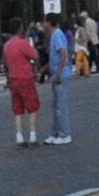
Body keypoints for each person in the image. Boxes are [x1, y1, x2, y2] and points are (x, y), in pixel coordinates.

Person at [3, 21, 41, 146]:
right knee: (33, 106)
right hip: (25, 77)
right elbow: (35, 55)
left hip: (14, 78)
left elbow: (5, 63)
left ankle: (19, 136)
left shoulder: (7, 45)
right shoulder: (22, 43)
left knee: (17, 108)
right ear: (20, 29)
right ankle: (33, 135)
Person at [42, 15, 73, 145]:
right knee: (55, 106)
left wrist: (59, 72)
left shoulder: (57, 35)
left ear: (49, 23)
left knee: (60, 106)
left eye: (45, 21)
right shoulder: (55, 35)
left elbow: (63, 53)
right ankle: (56, 133)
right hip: (56, 73)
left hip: (60, 74)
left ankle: (65, 133)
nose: (43, 24)